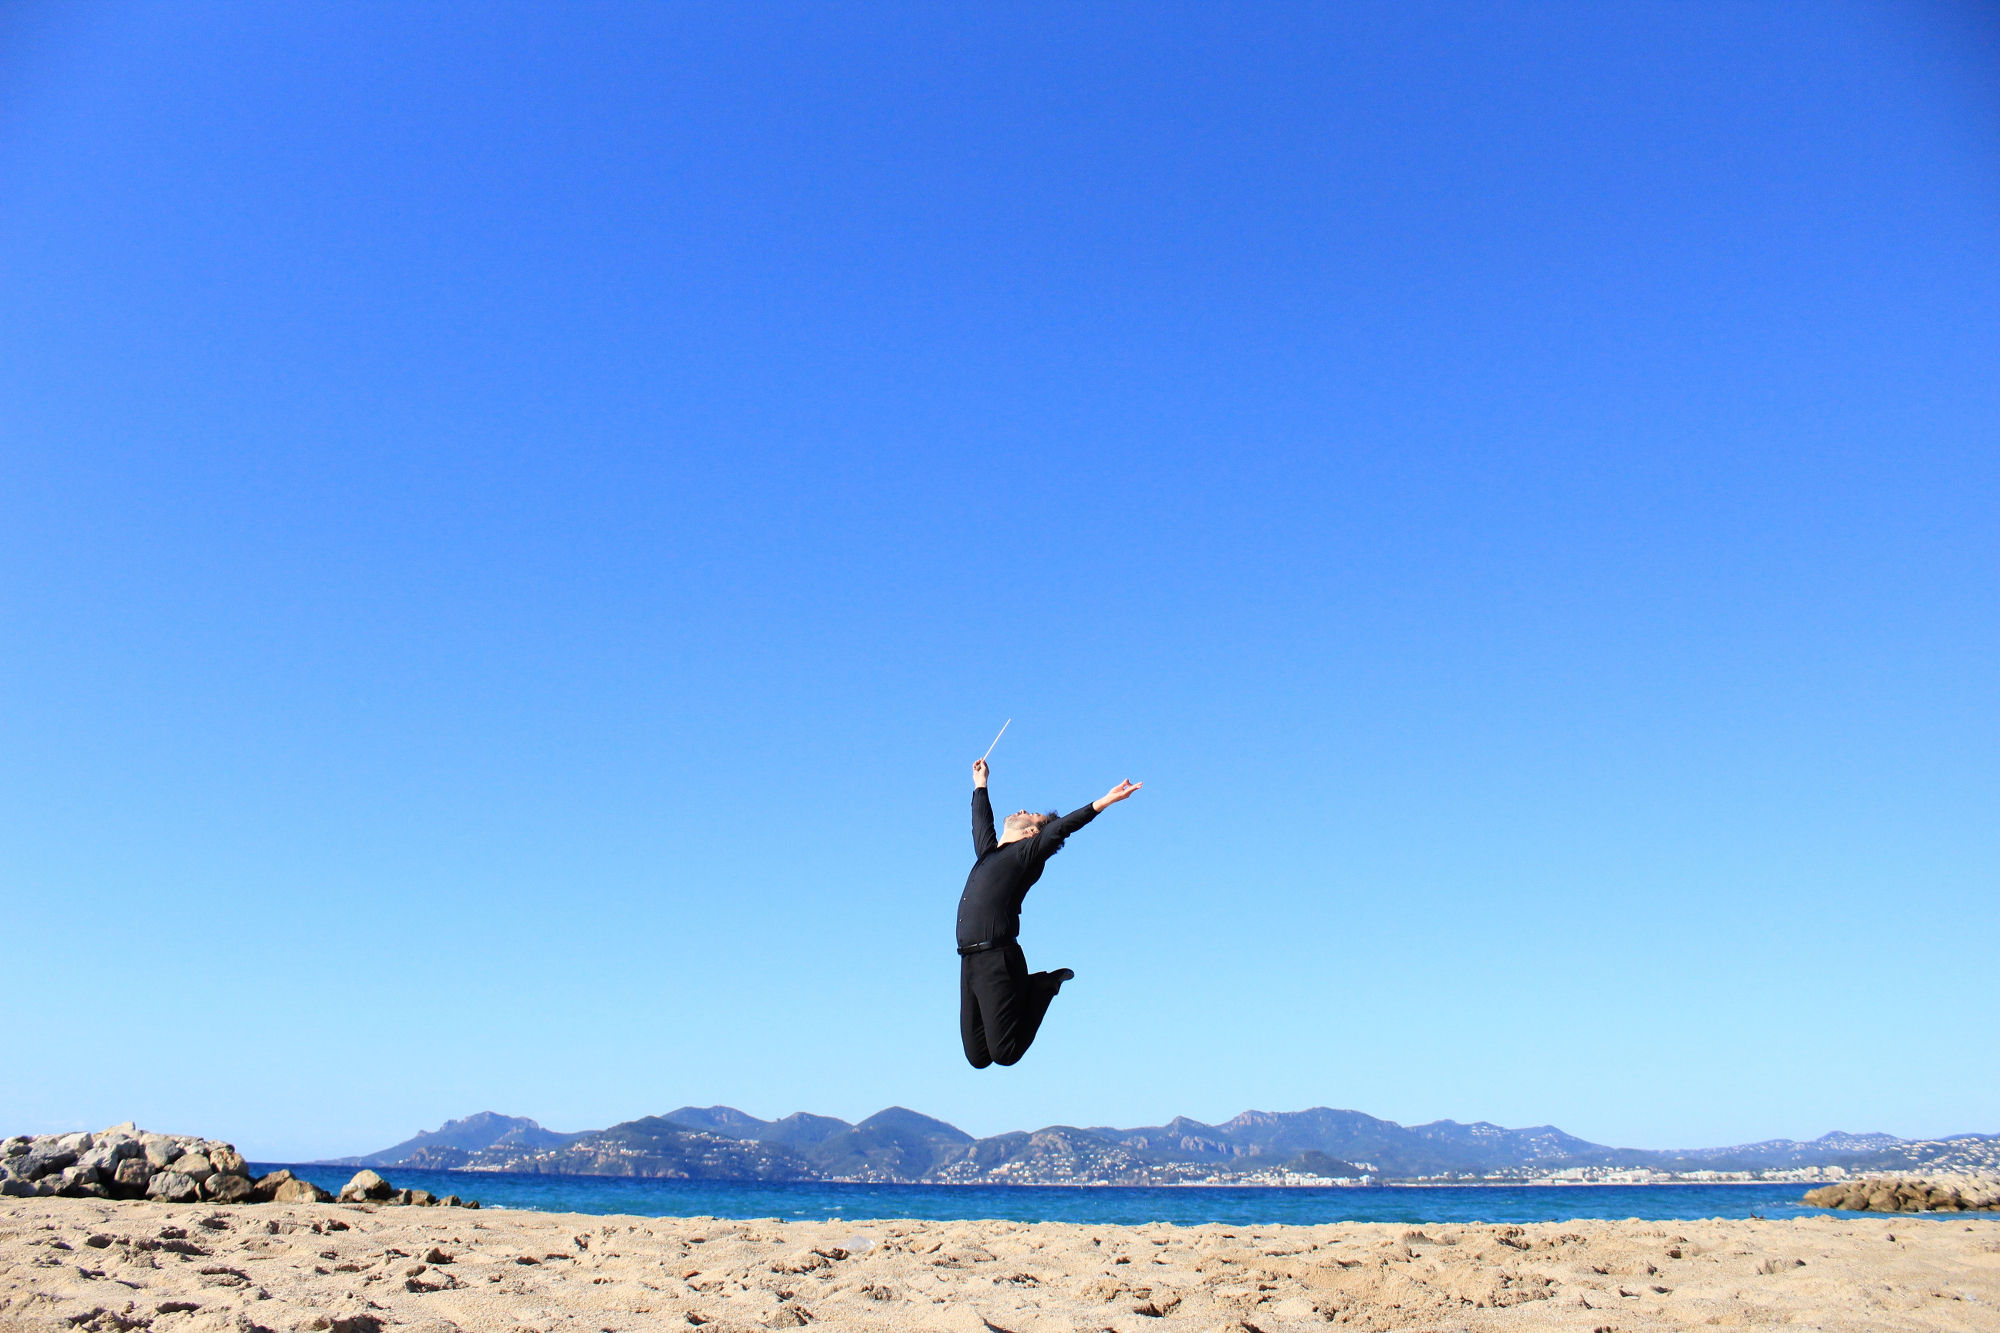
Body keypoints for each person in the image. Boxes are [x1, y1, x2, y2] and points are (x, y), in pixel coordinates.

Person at [957, 756, 1141, 1068]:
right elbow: (980, 821)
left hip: (997, 958)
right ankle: (1033, 988)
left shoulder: (1024, 855)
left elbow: (1059, 830)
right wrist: (981, 784)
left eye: (1032, 815)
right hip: (968, 960)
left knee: (1006, 1054)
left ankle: (1044, 986)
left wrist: (1104, 801)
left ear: (1032, 833)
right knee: (978, 1057)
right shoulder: (989, 853)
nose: (1022, 811)